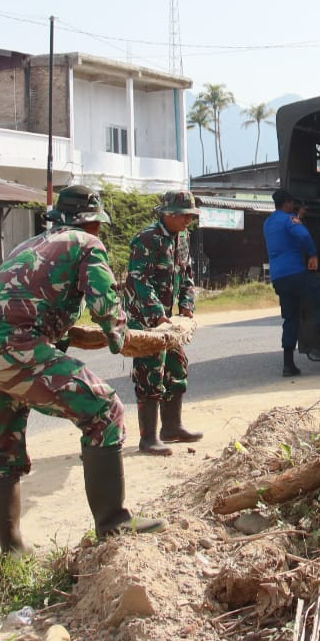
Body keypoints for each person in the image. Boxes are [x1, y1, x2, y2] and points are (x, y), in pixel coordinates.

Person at [0, 185, 165, 553]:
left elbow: (22, 300)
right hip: (14, 348)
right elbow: (105, 305)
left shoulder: (29, 244)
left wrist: (68, 336)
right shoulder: (87, 244)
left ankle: (12, 552)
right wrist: (122, 336)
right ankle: (113, 524)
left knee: (2, 448)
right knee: (104, 410)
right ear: (92, 222)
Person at [125, 189, 203, 457]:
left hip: (168, 322)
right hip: (145, 321)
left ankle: (172, 427)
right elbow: (139, 281)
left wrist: (187, 305)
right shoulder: (146, 240)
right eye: (184, 216)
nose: (188, 221)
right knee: (150, 374)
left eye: (191, 217)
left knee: (177, 367)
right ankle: (149, 439)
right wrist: (157, 313)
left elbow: (188, 275)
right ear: (168, 214)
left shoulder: (182, 239)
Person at [264, 188, 320, 377]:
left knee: (291, 318)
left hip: (278, 278)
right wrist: (312, 254)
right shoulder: (289, 220)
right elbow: (303, 235)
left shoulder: (268, 222)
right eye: (292, 203)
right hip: (296, 273)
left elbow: (285, 234)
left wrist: (298, 216)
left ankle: (288, 365)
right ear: (287, 203)